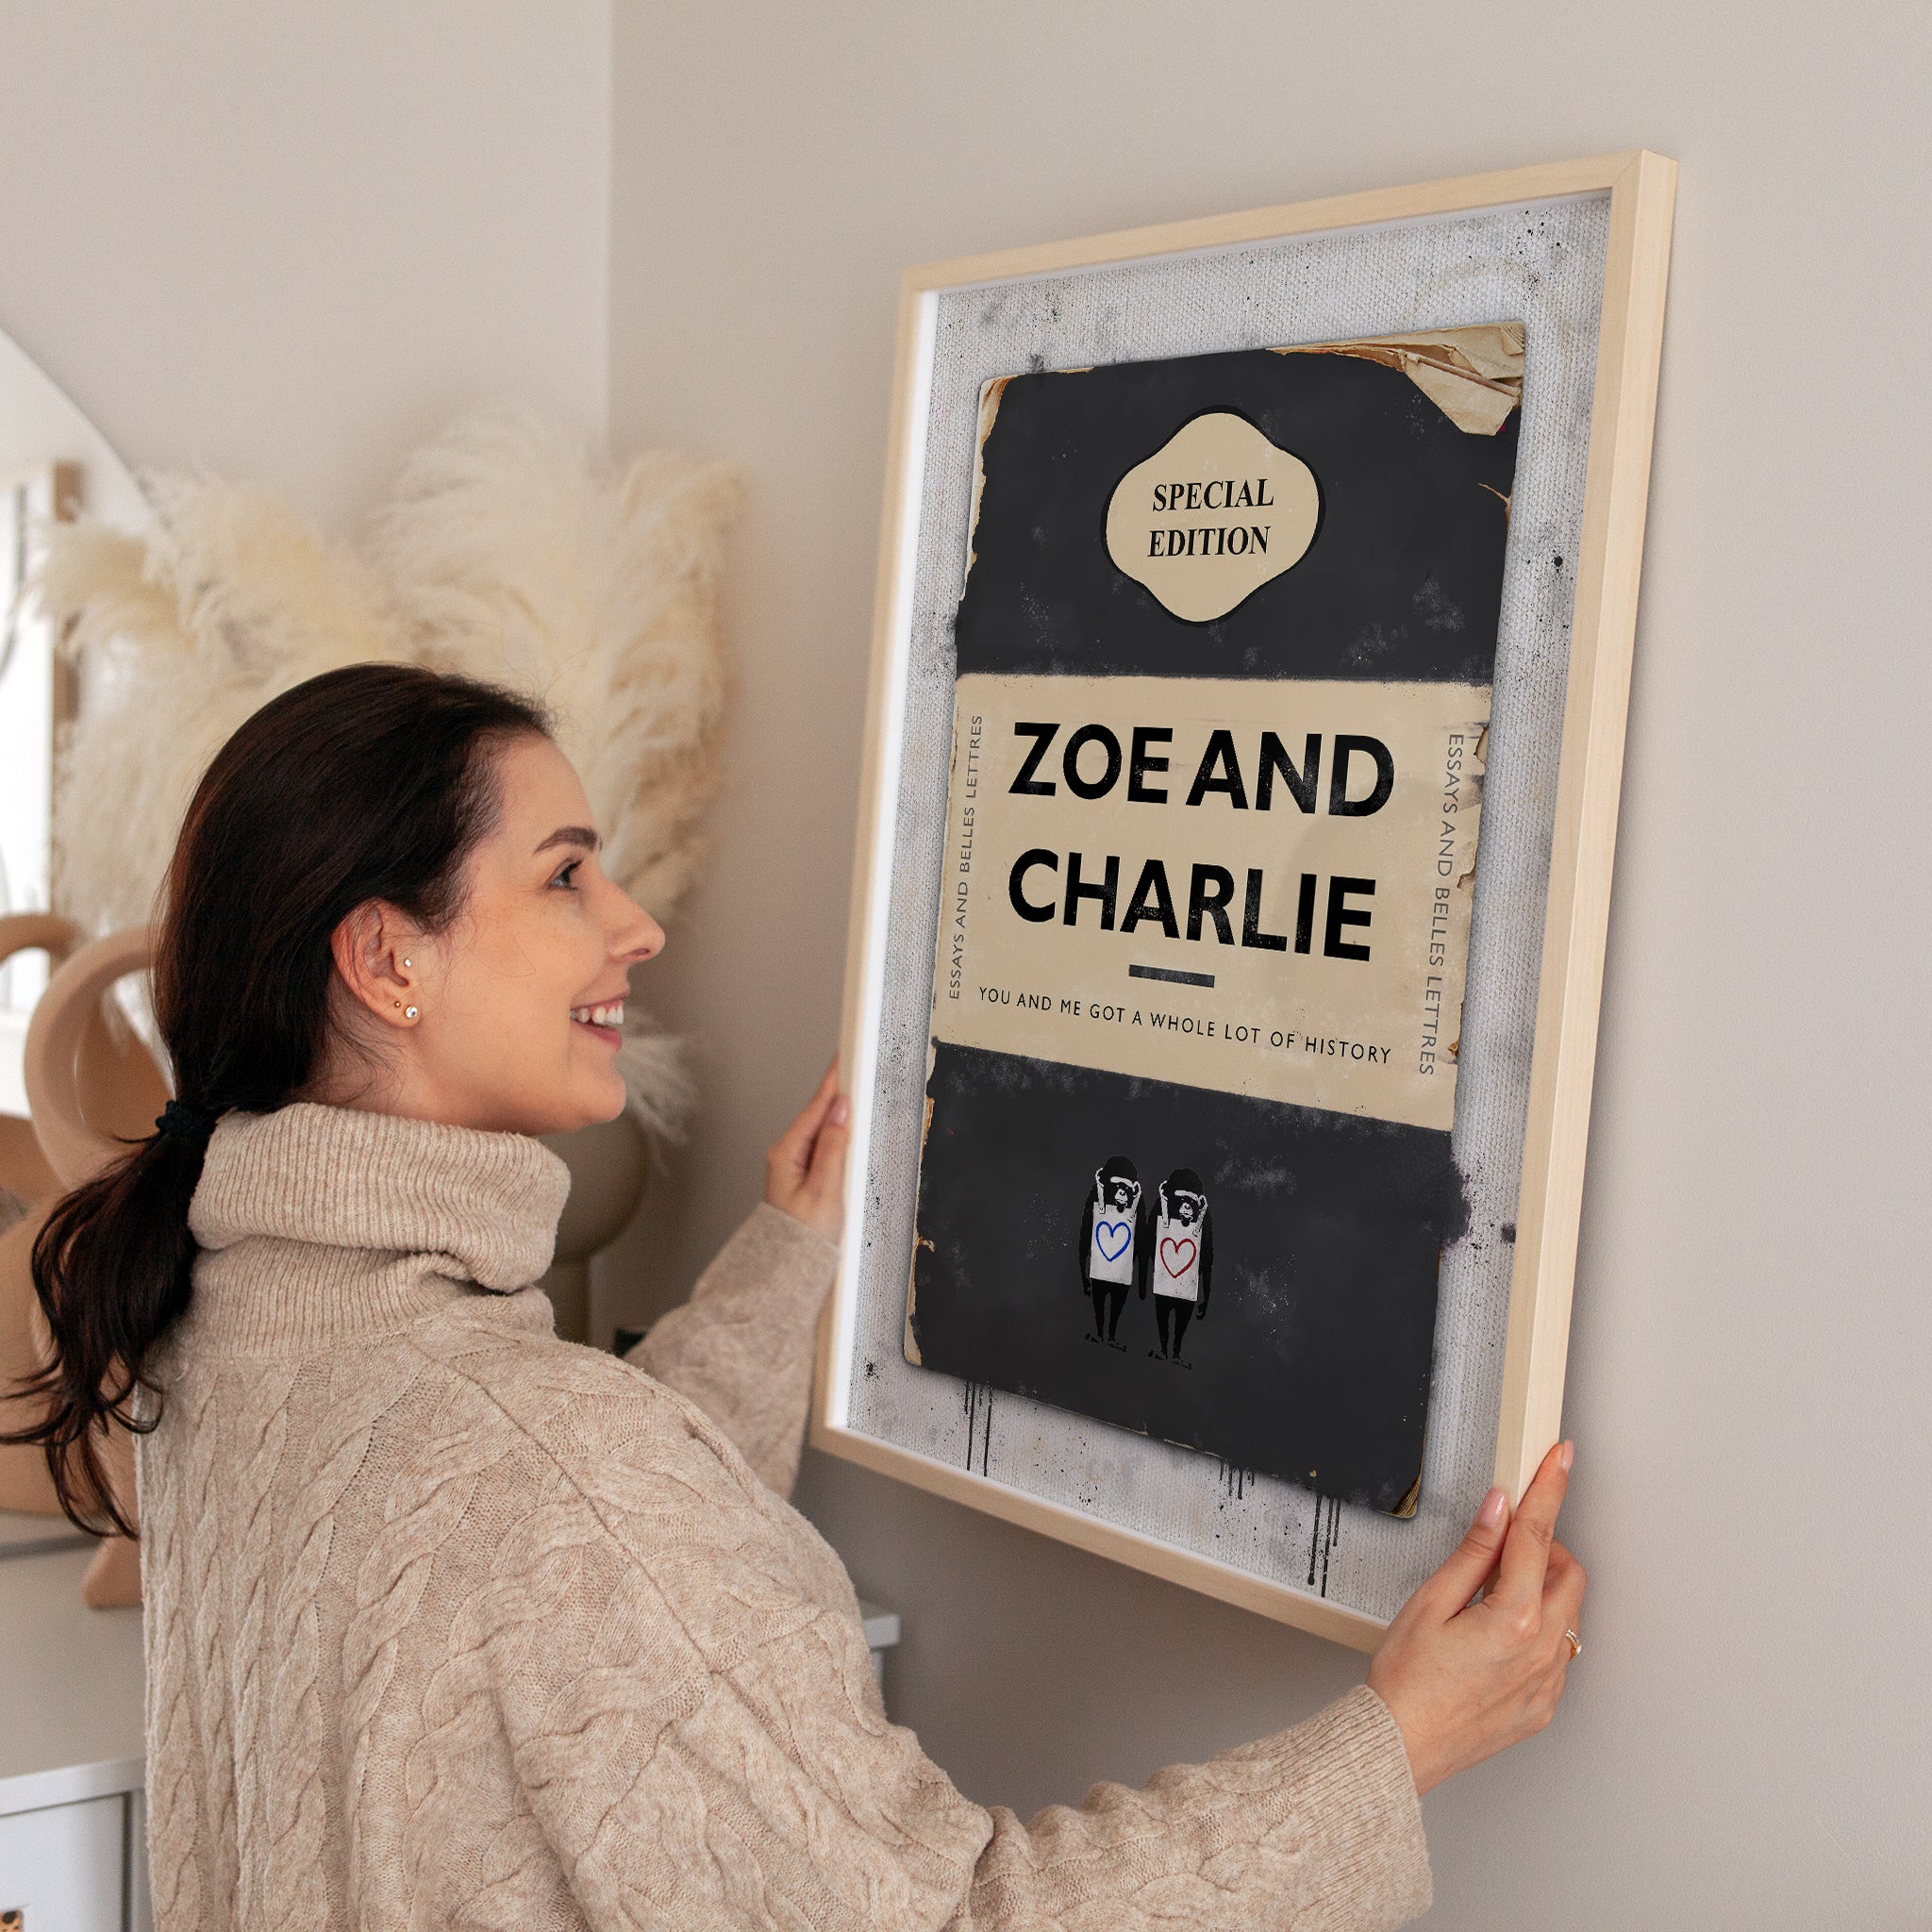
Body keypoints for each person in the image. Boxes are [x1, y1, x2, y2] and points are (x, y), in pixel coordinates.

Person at [8, 665, 1586, 1932]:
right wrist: (1400, 1744)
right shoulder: (529, 1464)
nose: (636, 923)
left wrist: (791, 1252)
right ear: (386, 960)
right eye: (566, 874)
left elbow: (555, 1571)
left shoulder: (224, 1333)